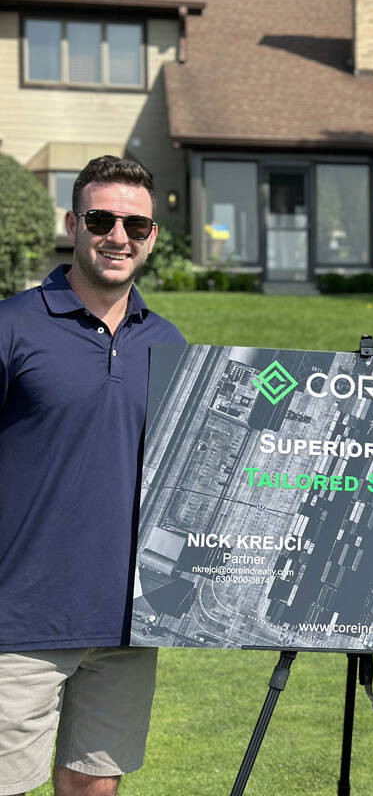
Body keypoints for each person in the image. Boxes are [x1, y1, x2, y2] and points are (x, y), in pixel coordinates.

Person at [0, 156, 185, 796]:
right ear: (74, 223)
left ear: (152, 236)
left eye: (136, 225)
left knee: (94, 787)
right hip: (16, 617)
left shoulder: (169, 343)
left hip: (125, 622)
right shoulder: (11, 327)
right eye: (103, 219)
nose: (119, 237)